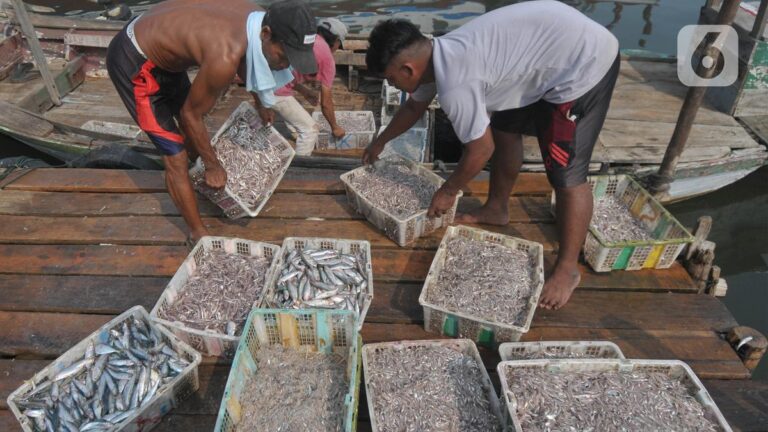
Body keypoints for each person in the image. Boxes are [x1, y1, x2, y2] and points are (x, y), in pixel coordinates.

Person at [363, 1, 619, 310]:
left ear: (408, 69)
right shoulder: (437, 53)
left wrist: (448, 191)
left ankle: (567, 268)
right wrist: (381, 141)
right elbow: (414, 107)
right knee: (503, 127)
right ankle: (497, 209)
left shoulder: (456, 82)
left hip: (583, 62)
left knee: (565, 171)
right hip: (545, 52)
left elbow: (480, 150)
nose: (393, 86)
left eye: (392, 80)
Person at [106, 0, 317, 242]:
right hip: (134, 61)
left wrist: (261, 102)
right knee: (175, 155)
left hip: (163, 48)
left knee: (193, 134)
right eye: (285, 56)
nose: (286, 64)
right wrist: (213, 165)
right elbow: (190, 115)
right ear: (267, 34)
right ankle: (197, 234)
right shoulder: (224, 57)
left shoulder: (260, 17)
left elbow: (251, 58)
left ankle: (199, 183)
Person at [271, 18, 349, 155]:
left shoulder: (303, 39)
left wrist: (305, 92)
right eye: (339, 44)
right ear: (335, 41)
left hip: (263, 81)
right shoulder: (327, 58)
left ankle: (296, 132)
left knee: (295, 114)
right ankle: (300, 167)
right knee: (310, 130)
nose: (337, 49)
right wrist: (335, 127)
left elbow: (289, 72)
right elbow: (326, 103)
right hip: (274, 90)